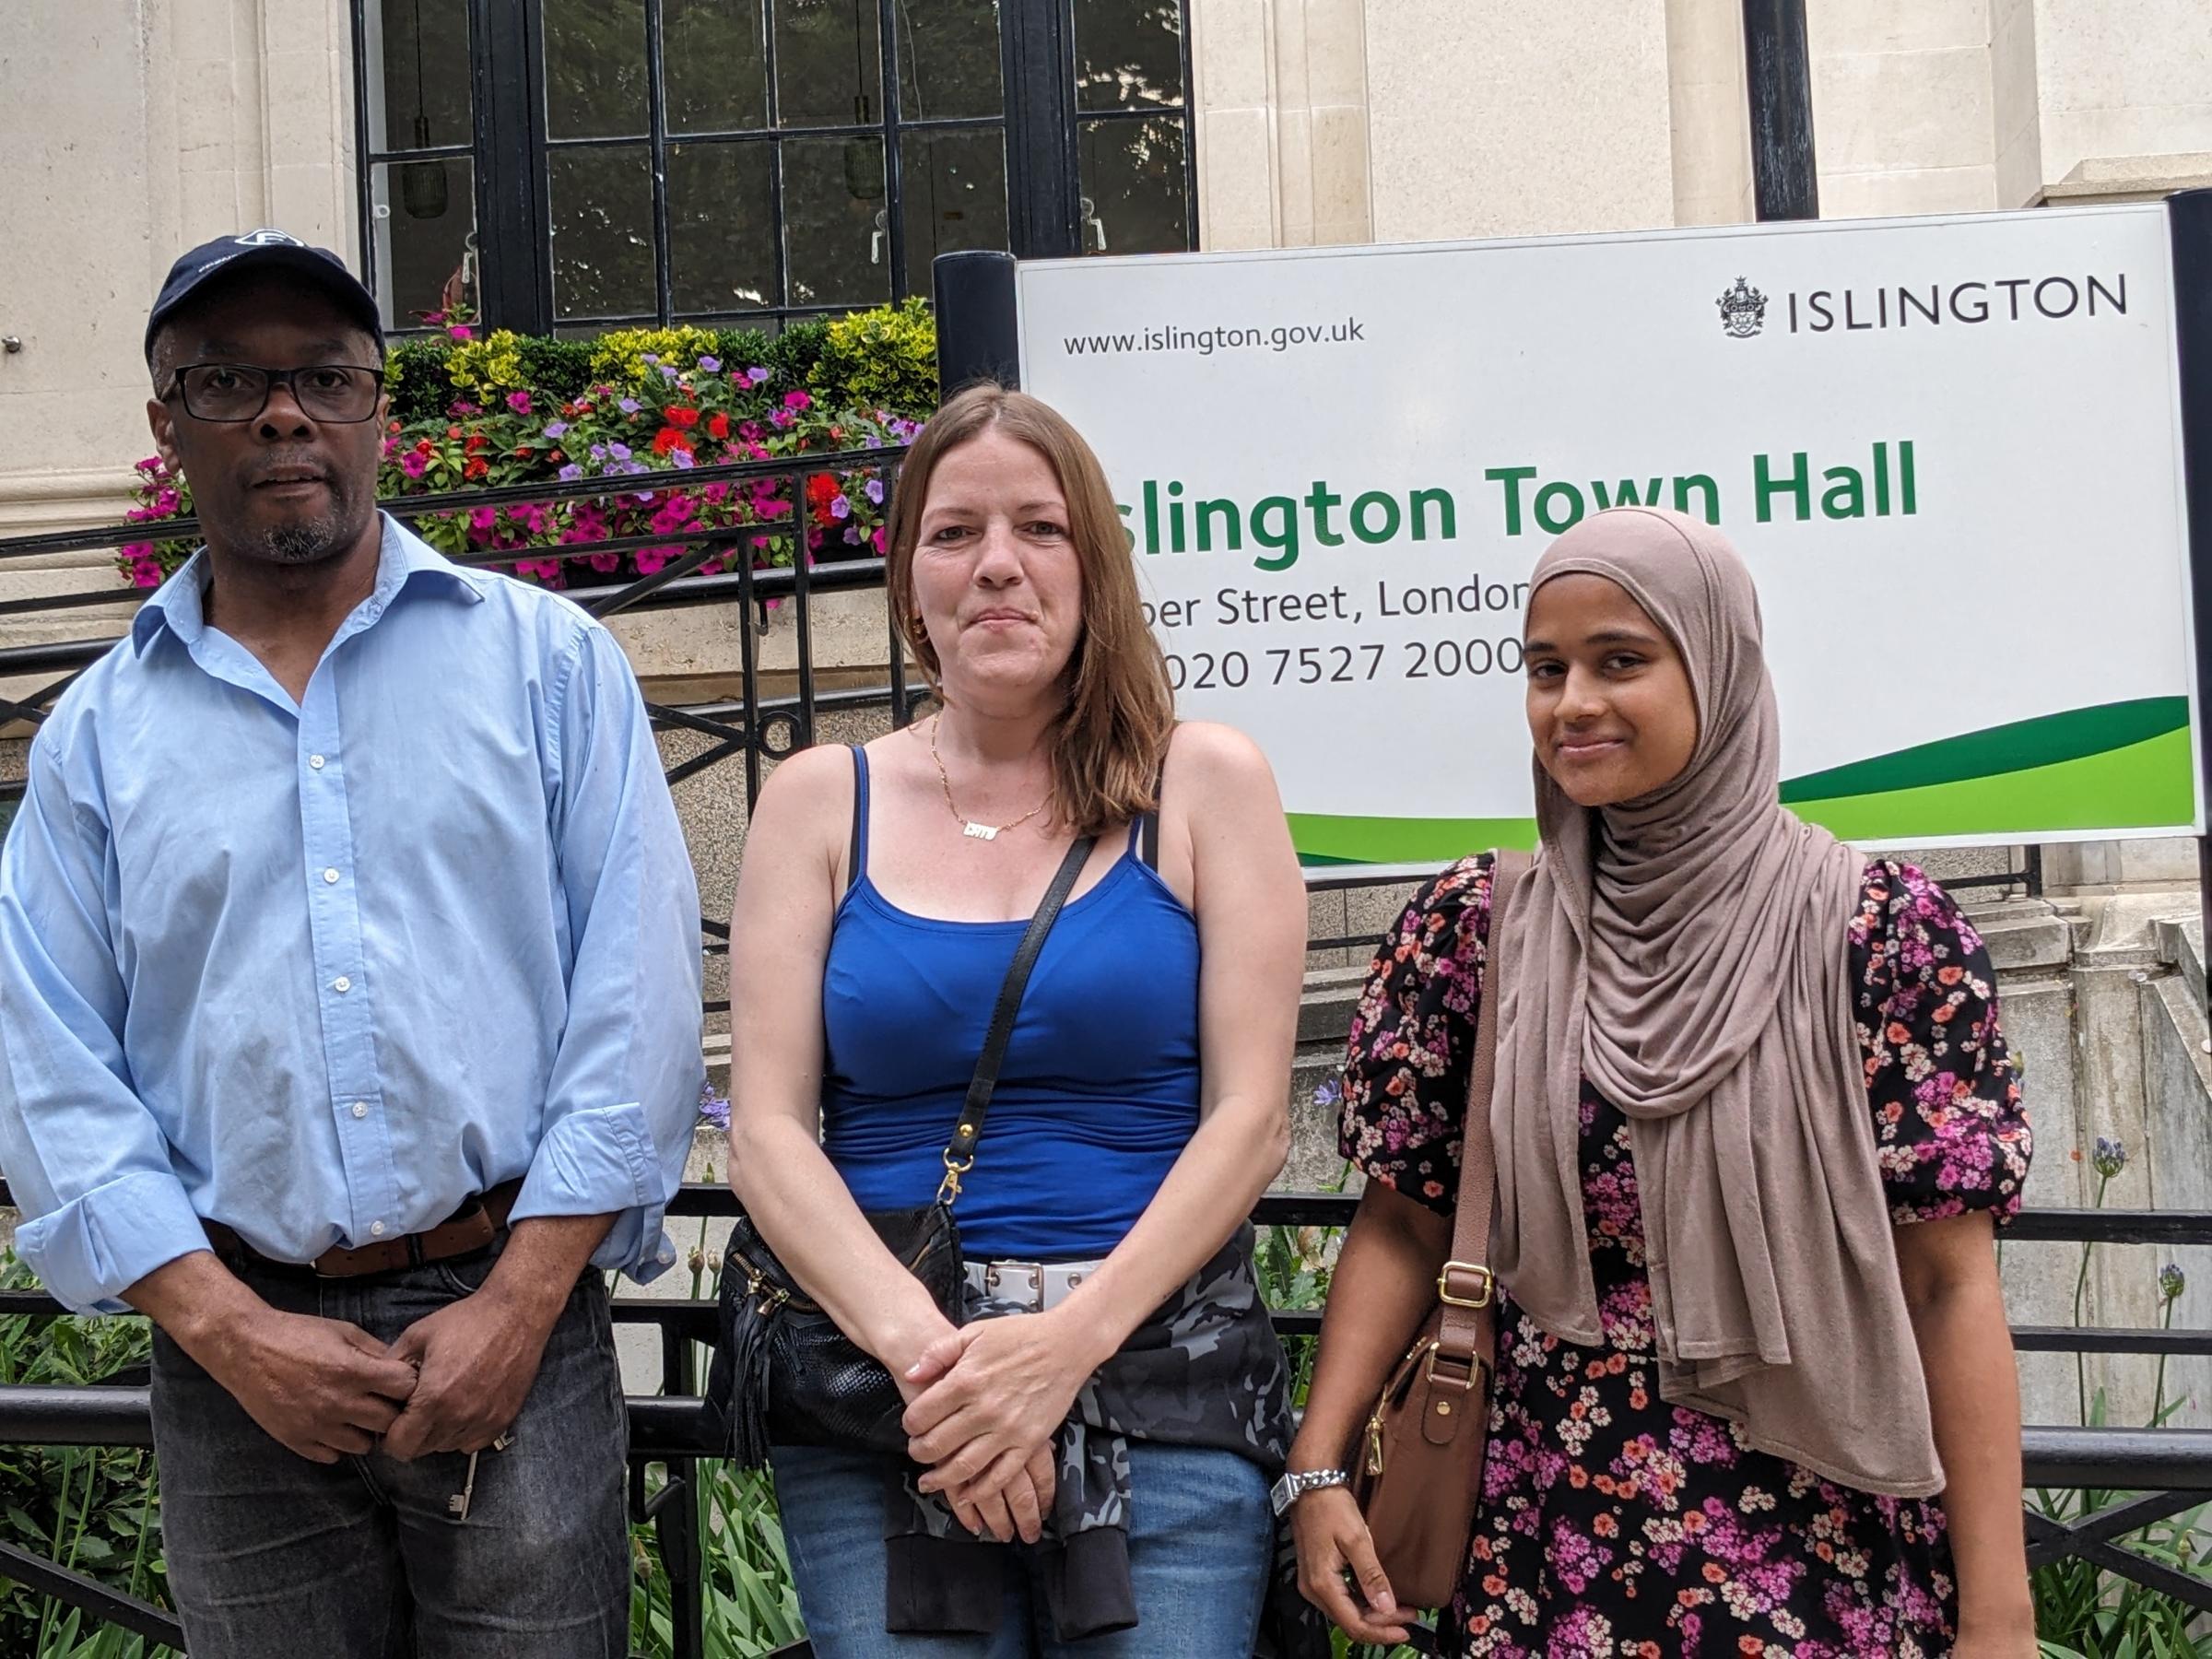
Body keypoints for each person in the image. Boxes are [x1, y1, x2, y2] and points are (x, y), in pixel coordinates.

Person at [0, 230, 704, 1657]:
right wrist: (226, 1331)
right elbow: (46, 1063)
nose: (281, 413)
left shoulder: (547, 664)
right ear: (164, 426)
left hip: (513, 1318)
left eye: (325, 375)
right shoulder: (95, 742)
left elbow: (637, 1002)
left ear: (380, 406)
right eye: (226, 382)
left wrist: (521, 1303)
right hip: (235, 1351)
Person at [1287, 507, 2036, 1657]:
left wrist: (1998, 1615)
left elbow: (1948, 1287)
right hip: (1545, 1552)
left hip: (1820, 1550)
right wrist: (1320, 1467)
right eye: (1546, 669)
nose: (1572, 702)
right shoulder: (1479, 929)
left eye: (1620, 660)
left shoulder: (1877, 936)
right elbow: (1402, 1222)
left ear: (1721, 670)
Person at [724, 383, 1315, 1656]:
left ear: (1094, 565)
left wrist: (1060, 1353)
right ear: (908, 580)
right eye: (955, 533)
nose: (998, 564)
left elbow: (1255, 1119)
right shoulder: (819, 802)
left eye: (1040, 529)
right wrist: (945, 1377)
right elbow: (765, 1135)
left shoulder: (1205, 783)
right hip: (887, 1399)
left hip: (1159, 1383)